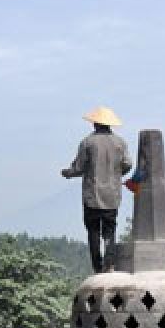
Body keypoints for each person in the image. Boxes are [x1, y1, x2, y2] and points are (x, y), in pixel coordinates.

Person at [62, 106, 132, 273]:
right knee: (109, 231)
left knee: (93, 231)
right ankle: (110, 265)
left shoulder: (88, 142)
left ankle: (98, 267)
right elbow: (128, 164)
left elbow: (78, 167)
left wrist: (67, 173)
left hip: (92, 195)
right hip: (112, 195)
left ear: (95, 124)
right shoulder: (120, 143)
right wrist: (116, 174)